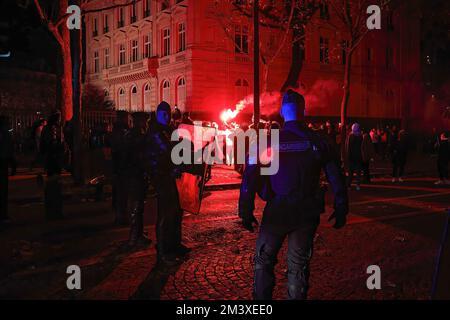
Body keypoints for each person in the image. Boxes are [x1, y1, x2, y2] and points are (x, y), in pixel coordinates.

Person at [239, 90, 349, 300]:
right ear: (304, 111)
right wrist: (341, 207)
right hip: (306, 213)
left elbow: (249, 178)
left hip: (277, 212)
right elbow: (336, 177)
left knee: (263, 261)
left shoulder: (266, 142)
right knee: (298, 265)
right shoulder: (319, 141)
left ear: (281, 112)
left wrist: (245, 210)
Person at [147, 101, 190, 265]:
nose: (166, 117)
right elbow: (167, 149)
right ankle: (163, 251)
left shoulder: (169, 130)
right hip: (161, 176)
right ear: (158, 114)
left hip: (172, 176)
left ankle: (174, 245)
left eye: (168, 114)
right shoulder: (155, 131)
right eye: (163, 114)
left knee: (176, 212)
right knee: (164, 215)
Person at [126, 112, 152, 247]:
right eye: (145, 122)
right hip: (137, 174)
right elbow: (141, 157)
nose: (146, 124)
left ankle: (137, 234)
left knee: (137, 205)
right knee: (137, 206)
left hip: (133, 174)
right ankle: (135, 236)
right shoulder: (138, 137)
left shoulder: (131, 135)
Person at [40, 110, 65, 220]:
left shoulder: (48, 128)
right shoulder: (53, 128)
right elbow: (53, 143)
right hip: (54, 158)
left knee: (53, 182)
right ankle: (54, 210)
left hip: (51, 158)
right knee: (54, 183)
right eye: (59, 117)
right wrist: (60, 149)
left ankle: (52, 209)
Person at [111, 111, 131, 225]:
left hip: (119, 166)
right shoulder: (121, 132)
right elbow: (122, 149)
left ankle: (121, 216)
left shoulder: (117, 130)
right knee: (122, 194)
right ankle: (121, 217)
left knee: (120, 193)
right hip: (122, 166)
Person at [0, 116, 16, 223]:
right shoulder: (6, 133)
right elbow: (9, 149)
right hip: (3, 162)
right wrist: (13, 163)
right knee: (2, 189)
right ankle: (3, 215)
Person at [345, 123, 364, 191]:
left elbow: (348, 147)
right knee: (357, 173)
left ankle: (349, 185)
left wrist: (348, 156)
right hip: (357, 157)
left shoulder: (350, 136)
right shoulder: (360, 136)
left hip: (352, 157)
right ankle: (357, 185)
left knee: (351, 173)